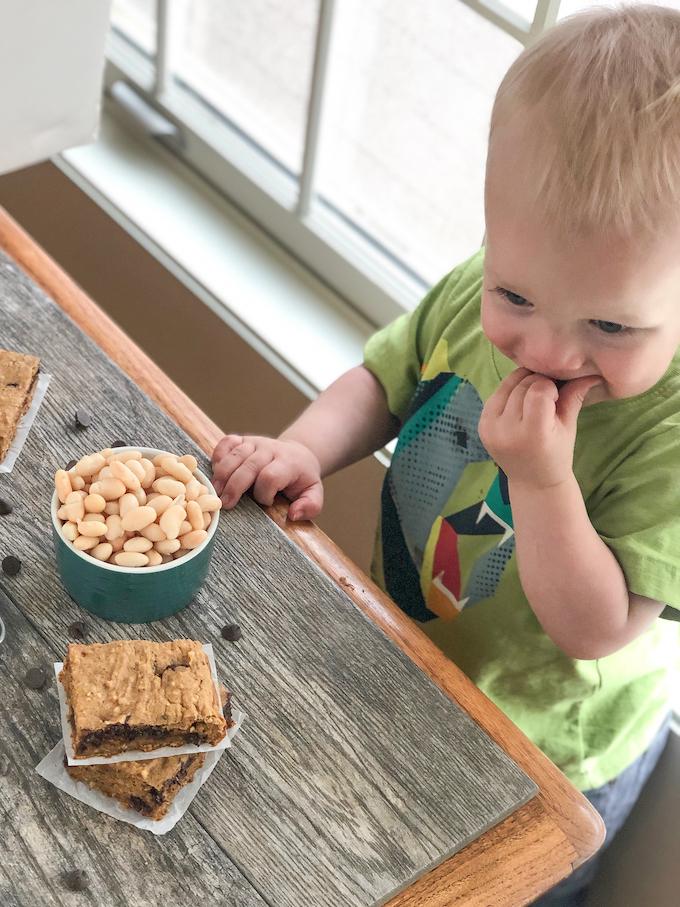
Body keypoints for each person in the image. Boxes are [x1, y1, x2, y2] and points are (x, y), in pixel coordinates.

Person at [211, 6, 680, 902]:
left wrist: (542, 479)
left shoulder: (670, 428)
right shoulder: (484, 282)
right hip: (411, 655)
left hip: (544, 747)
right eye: (518, 294)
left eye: (611, 324)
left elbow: (600, 625)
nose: (547, 348)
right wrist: (305, 448)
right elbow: (385, 379)